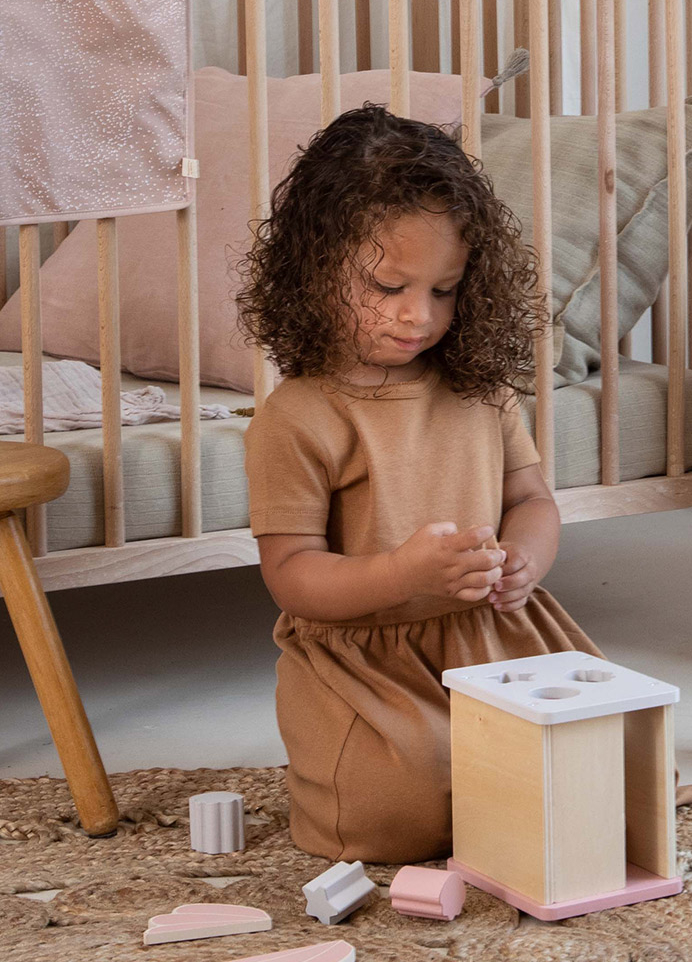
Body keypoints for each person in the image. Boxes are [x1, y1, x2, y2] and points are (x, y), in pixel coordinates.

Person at [239, 103, 593, 863]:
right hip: (367, 667)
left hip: (496, 639)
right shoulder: (297, 417)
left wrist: (527, 560)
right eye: (388, 285)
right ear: (314, 272)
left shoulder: (480, 392)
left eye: (444, 290)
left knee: (605, 752)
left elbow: (532, 501)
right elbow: (290, 574)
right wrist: (402, 574)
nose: (417, 316)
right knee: (404, 802)